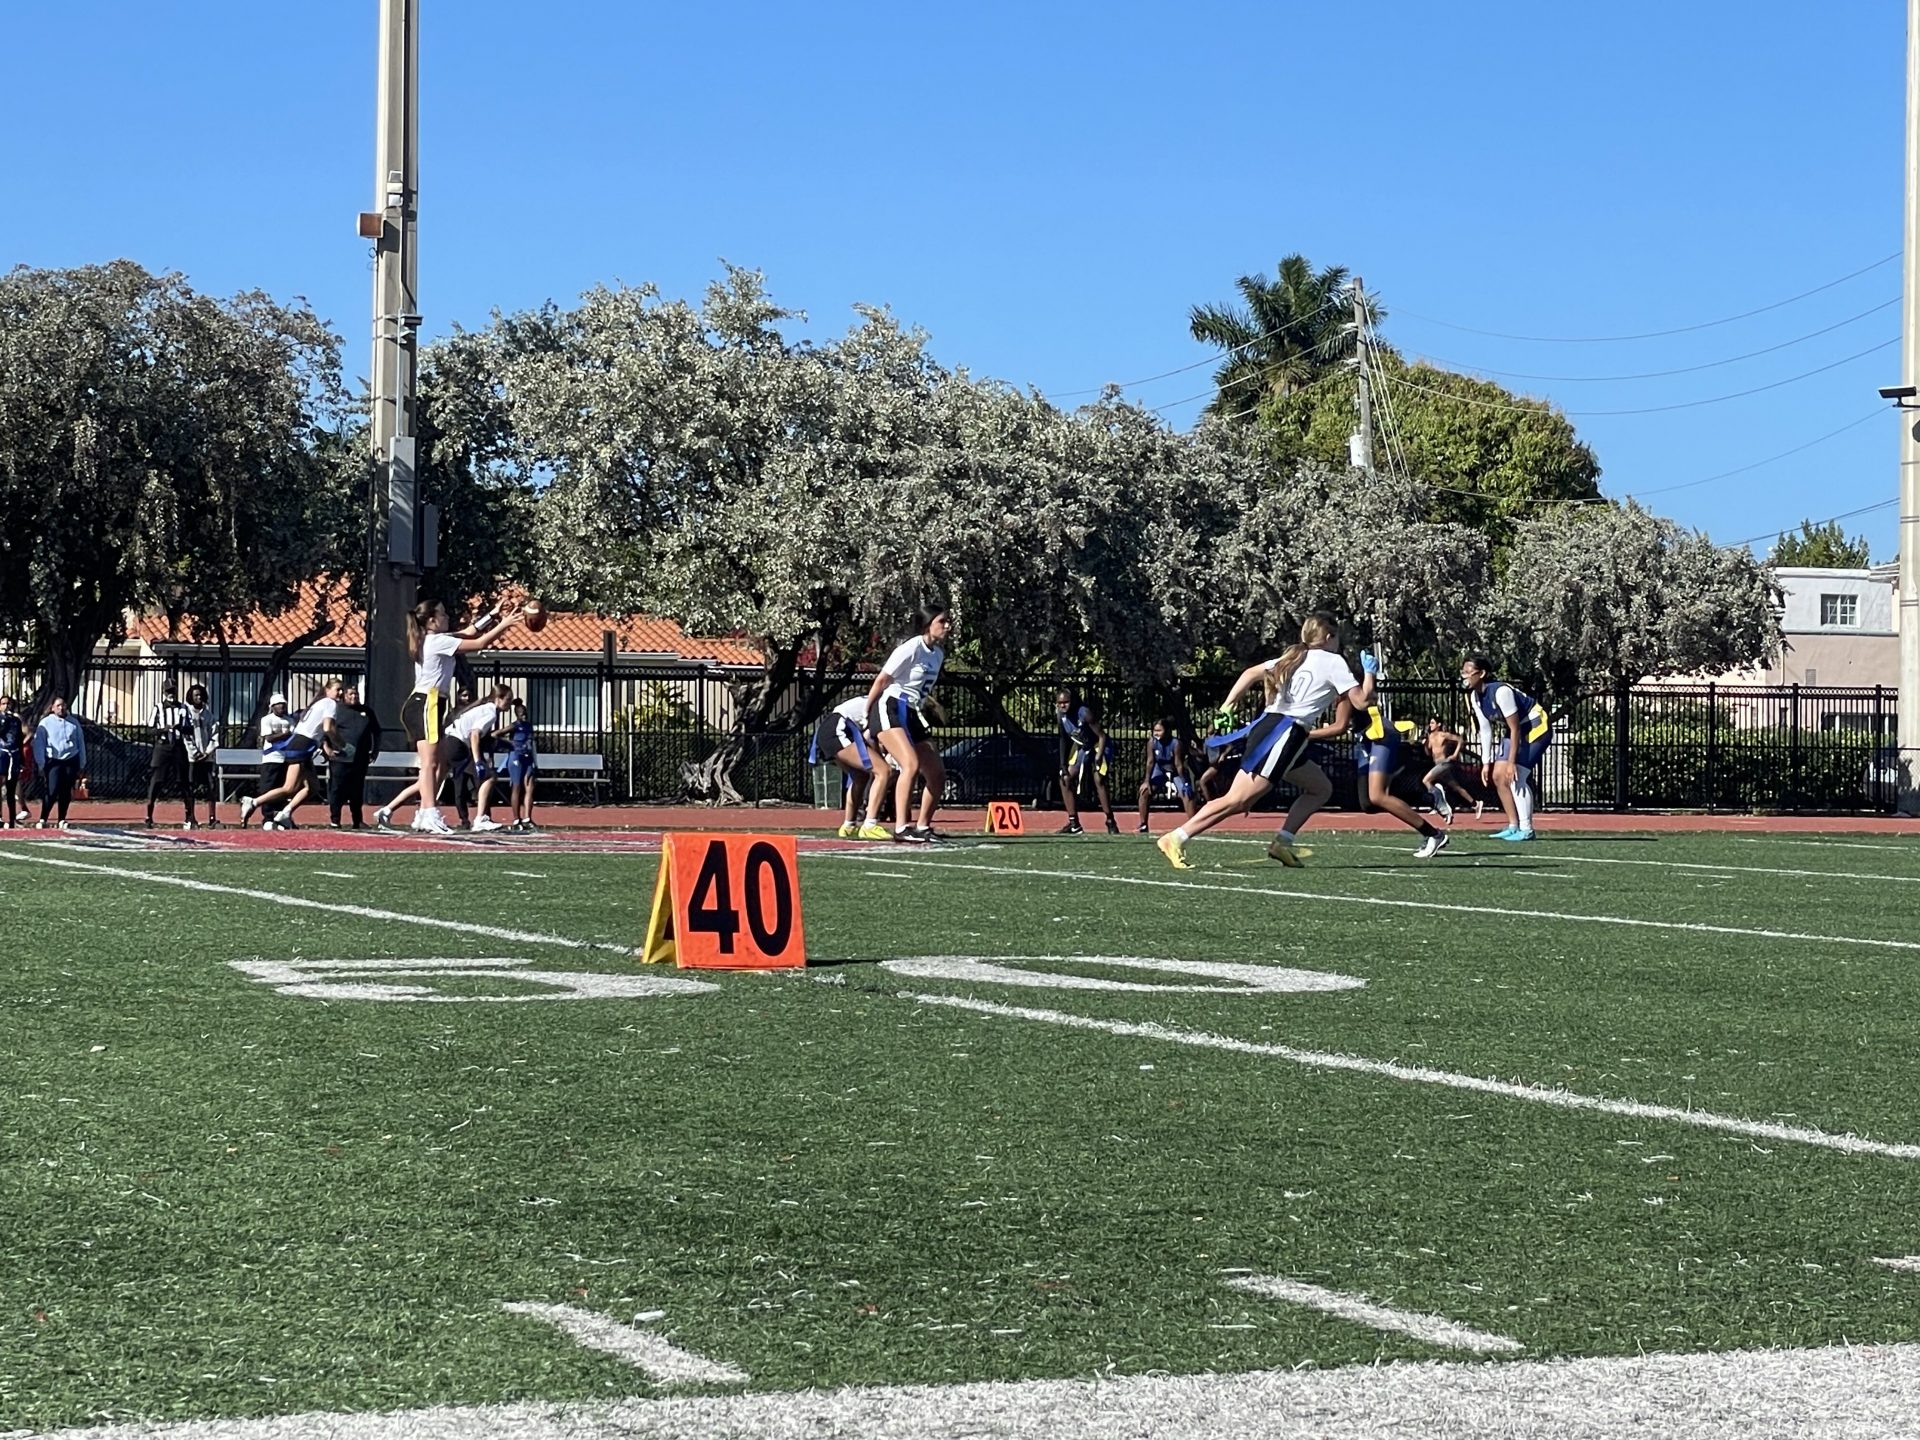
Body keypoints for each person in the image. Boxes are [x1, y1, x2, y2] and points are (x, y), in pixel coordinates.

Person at [1155, 614, 1381, 871]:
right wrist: (1370, 674)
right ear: (1329, 638)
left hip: (1277, 729)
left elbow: (1250, 673)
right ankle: (1177, 837)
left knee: (1320, 788)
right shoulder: (1333, 661)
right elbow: (1363, 701)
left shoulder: (1295, 655)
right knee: (1238, 800)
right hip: (1284, 733)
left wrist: (1227, 707)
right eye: (1337, 637)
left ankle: (1282, 843)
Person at [397, 599, 524, 835]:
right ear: (432, 620)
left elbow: (468, 632)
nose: (447, 617)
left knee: (434, 763)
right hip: (428, 702)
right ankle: (429, 812)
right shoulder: (437, 641)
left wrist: (493, 614)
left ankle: (425, 813)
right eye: (443, 614)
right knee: (430, 763)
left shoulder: (431, 638)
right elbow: (478, 642)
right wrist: (505, 624)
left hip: (425, 702)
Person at [858, 604, 951, 844]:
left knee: (937, 774)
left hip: (912, 712)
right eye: (942, 621)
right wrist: (867, 715)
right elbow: (882, 680)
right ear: (927, 624)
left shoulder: (938, 655)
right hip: (890, 707)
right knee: (909, 764)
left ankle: (922, 827)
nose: (947, 626)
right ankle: (901, 828)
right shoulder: (911, 648)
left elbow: (920, 691)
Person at [1462, 655, 1551, 842]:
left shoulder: (1501, 691)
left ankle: (1526, 829)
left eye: (1469, 673)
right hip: (1517, 731)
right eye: (1463, 672)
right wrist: (1485, 763)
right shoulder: (1475, 697)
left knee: (1516, 774)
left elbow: (1515, 727)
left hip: (1536, 727)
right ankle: (1513, 825)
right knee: (1497, 775)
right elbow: (1485, 730)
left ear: (1482, 673)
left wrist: (1511, 762)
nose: (1464, 676)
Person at [1349, 703, 1450, 856]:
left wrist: (1307, 734)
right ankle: (1430, 799)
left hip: (1380, 735)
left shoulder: (1347, 686)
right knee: (1368, 803)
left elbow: (1340, 725)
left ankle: (1433, 834)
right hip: (1364, 739)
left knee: (1378, 795)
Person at [247, 680, 344, 831]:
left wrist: (325, 747)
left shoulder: (318, 703)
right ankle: (253, 802)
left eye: (341, 690)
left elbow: (316, 730)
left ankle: (285, 813)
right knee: (289, 787)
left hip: (302, 744)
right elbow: (328, 727)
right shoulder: (329, 703)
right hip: (301, 745)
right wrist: (343, 744)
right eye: (337, 689)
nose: (340, 693)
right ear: (327, 690)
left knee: (312, 787)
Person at [811, 695, 882, 839]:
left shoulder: (872, 701)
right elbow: (870, 736)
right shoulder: (881, 704)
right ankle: (870, 825)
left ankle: (848, 826)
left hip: (830, 730)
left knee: (860, 777)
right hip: (838, 730)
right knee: (884, 771)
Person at [1055, 690, 1118, 834]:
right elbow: (1063, 739)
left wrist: (1099, 756)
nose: (1063, 706)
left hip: (1099, 745)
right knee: (1065, 779)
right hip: (1082, 746)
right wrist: (1063, 764)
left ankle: (1110, 820)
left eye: (1066, 702)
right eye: (1060, 703)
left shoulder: (1084, 713)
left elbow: (1101, 736)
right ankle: (1074, 823)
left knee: (1098, 778)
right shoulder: (1061, 716)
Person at [327, 685, 380, 829]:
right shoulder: (336, 710)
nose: (354, 697)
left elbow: (376, 732)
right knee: (337, 789)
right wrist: (328, 749)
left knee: (357, 790)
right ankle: (335, 820)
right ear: (344, 695)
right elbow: (326, 731)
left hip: (360, 759)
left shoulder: (366, 711)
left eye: (356, 694)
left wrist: (375, 750)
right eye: (350, 694)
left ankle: (358, 820)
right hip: (340, 758)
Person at [144, 682, 195, 829]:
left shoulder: (183, 708)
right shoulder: (158, 708)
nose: (171, 694)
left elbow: (190, 729)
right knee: (157, 780)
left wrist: (181, 727)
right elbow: (149, 730)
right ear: (164, 692)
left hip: (178, 747)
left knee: (183, 781)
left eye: (173, 691)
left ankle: (189, 816)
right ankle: (149, 815)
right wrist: (163, 730)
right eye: (168, 691)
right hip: (163, 747)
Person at [31, 697, 86, 830]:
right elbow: (39, 744)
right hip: (53, 760)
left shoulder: (73, 723)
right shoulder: (46, 723)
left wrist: (82, 763)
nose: (61, 708)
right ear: (53, 708)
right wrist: (41, 763)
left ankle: (62, 818)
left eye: (63, 705)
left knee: (66, 791)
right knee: (52, 789)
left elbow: (80, 742)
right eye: (58, 706)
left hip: (70, 760)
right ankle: (43, 817)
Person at [1136, 717, 1196, 833]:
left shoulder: (1176, 743)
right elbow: (1150, 762)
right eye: (1155, 731)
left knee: (1186, 794)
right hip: (1160, 769)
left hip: (1174, 770)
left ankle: (1193, 824)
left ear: (1168, 731)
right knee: (1145, 792)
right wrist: (1147, 781)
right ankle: (1143, 824)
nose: (1156, 733)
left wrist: (1185, 783)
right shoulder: (1152, 742)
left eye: (1160, 731)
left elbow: (1178, 764)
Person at [1421, 717, 1481, 826]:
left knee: (1426, 780)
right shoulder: (1430, 736)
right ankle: (1475, 803)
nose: (1430, 725)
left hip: (1444, 763)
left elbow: (1460, 740)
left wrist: (1455, 754)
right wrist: (1425, 744)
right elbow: (1428, 752)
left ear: (1438, 724)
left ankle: (1441, 806)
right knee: (1456, 787)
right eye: (1430, 723)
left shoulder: (1443, 735)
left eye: (1433, 723)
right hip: (1437, 764)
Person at [182, 684, 219, 827]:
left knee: (210, 786)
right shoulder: (188, 714)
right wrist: (195, 753)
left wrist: (207, 752)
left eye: (200, 695)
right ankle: (191, 817)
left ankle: (212, 817)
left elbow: (214, 736)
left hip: (207, 758)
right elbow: (186, 736)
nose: (198, 698)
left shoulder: (208, 715)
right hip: (193, 758)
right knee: (191, 787)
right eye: (195, 695)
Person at [501, 699, 539, 834]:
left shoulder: (529, 726)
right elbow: (496, 734)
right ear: (516, 714)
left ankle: (527, 817)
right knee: (516, 786)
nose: (523, 715)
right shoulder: (514, 726)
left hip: (528, 758)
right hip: (516, 757)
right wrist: (510, 744)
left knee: (530, 786)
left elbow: (532, 744)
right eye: (521, 713)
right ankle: (516, 819)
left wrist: (535, 762)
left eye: (525, 713)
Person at [255, 692, 294, 815]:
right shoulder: (267, 719)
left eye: (283, 705)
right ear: (272, 706)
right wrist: (284, 734)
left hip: (285, 758)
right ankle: (267, 815)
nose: (281, 707)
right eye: (278, 705)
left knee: (283, 788)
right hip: (271, 758)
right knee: (268, 787)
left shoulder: (290, 720)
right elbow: (269, 738)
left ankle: (279, 814)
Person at [0, 694, 24, 828]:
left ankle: (12, 818)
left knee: (11, 788)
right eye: (3, 703)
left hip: (13, 755)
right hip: (1, 754)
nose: (6, 706)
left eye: (8, 703)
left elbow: (19, 739)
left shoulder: (16, 721)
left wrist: (21, 758)